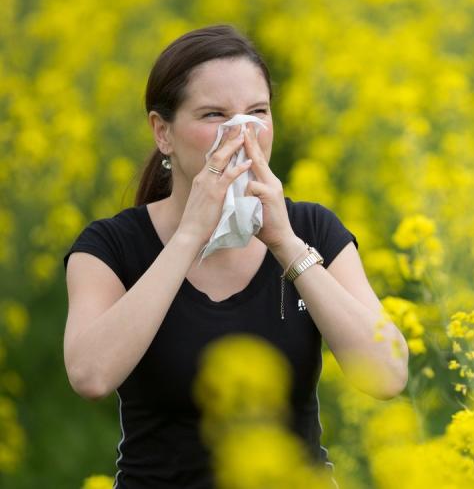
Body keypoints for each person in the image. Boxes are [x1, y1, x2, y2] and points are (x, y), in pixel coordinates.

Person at [62, 24, 409, 488]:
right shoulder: (110, 246)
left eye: (257, 112)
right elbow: (90, 376)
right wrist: (189, 237)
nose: (242, 132)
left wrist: (286, 244)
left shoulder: (312, 230)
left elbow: (388, 375)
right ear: (162, 132)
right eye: (214, 115)